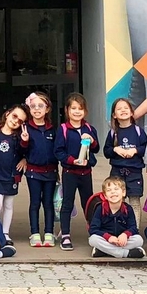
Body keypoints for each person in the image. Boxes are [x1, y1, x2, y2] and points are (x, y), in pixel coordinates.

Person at [54, 93, 99, 251]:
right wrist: (72, 160)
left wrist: (92, 141)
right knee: (67, 203)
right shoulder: (63, 129)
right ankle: (65, 234)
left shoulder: (89, 128)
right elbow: (58, 151)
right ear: (67, 110)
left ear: (85, 111)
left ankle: (94, 231)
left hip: (86, 173)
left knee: (89, 203)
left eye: (80, 108)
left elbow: (96, 148)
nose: (77, 111)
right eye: (73, 108)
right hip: (70, 172)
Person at [0, 105, 28, 245]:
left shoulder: (18, 136)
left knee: (8, 204)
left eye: (20, 121)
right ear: (8, 113)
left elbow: (24, 151)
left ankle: (5, 233)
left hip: (12, 175)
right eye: (14, 116)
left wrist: (24, 156)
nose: (16, 121)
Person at [22, 91, 59, 248]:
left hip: (50, 172)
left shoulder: (52, 129)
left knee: (48, 203)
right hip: (33, 172)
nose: (37, 109)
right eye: (33, 106)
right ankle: (35, 233)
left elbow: (57, 150)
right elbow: (21, 150)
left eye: (40, 106)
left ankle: (49, 232)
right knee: (35, 202)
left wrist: (58, 171)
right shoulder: (26, 128)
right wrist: (24, 141)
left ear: (47, 108)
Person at [87, 175, 145, 260]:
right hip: (106, 239)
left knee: (139, 240)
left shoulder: (128, 209)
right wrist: (108, 237)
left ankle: (105, 251)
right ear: (105, 196)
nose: (113, 192)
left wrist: (125, 234)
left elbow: (133, 228)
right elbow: (93, 229)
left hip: (122, 240)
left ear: (123, 193)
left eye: (116, 189)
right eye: (109, 190)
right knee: (93, 239)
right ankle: (125, 253)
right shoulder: (100, 208)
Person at [103, 98, 147, 205]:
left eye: (126, 108)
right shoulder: (113, 133)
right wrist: (115, 149)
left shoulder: (138, 131)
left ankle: (133, 218)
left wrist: (135, 150)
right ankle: (120, 217)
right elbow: (106, 151)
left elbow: (146, 148)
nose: (123, 110)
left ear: (131, 112)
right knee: (117, 201)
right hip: (117, 172)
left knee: (134, 202)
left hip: (134, 172)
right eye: (119, 109)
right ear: (114, 115)